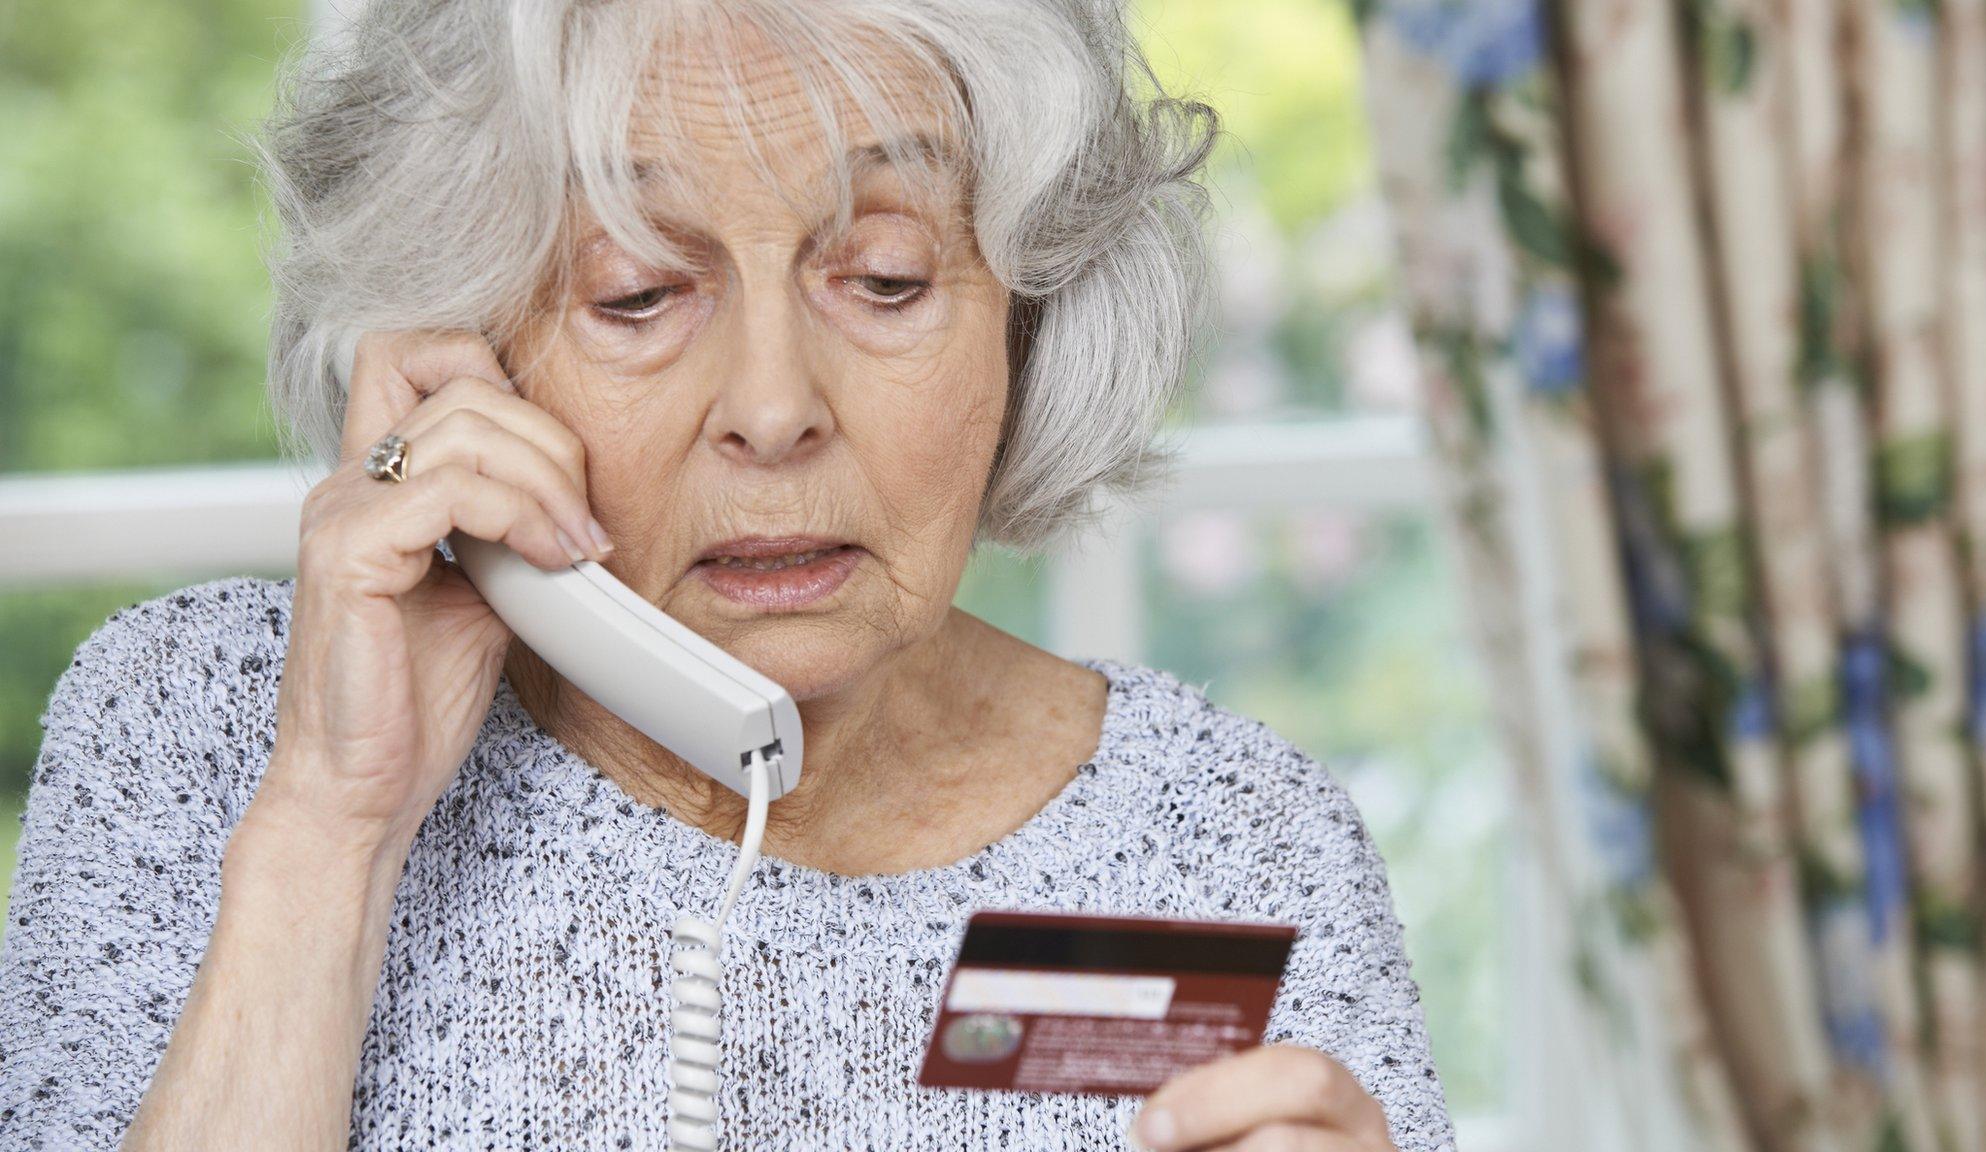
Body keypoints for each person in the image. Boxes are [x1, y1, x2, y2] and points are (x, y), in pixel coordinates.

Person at [0, 1, 1455, 1148]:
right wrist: (333, 823)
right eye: (636, 291)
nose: (771, 405)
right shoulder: (201, 732)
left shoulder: (1230, 840)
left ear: (1026, 323)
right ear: (463, 350)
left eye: (885, 280)